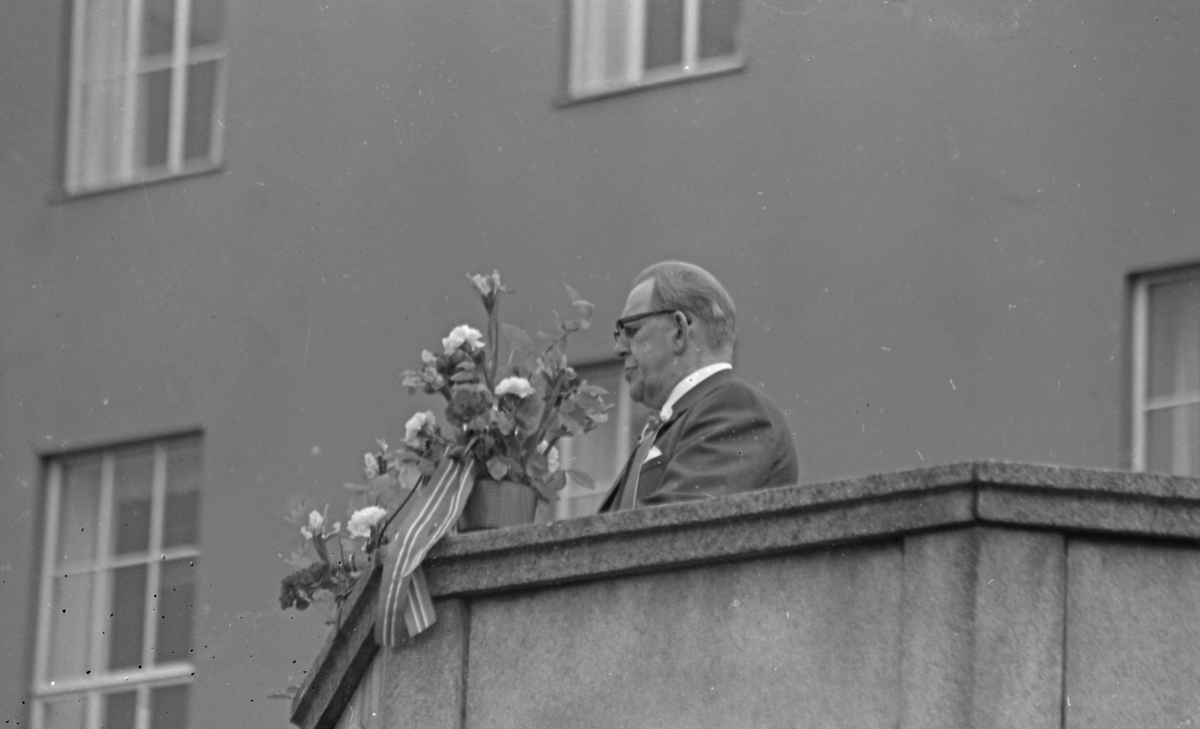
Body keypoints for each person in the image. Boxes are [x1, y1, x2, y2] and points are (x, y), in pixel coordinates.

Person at [598, 261, 800, 512]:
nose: (619, 349)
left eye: (630, 329)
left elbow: (672, 530)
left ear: (679, 331)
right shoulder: (689, 419)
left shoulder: (734, 409)